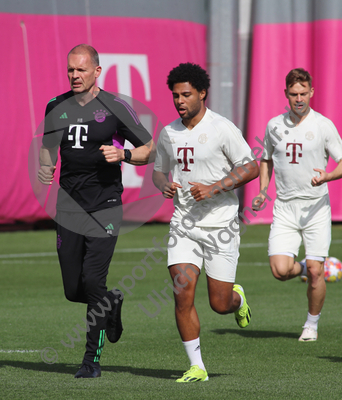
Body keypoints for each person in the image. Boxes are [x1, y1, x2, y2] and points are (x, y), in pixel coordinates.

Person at [38, 44, 155, 378]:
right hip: (68, 207)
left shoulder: (116, 106)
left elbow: (149, 148)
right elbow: (47, 148)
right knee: (74, 290)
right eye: (71, 70)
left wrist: (125, 156)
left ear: (97, 71)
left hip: (105, 206)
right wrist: (45, 168)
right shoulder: (55, 106)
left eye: (81, 70)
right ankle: (111, 302)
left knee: (92, 280)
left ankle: (91, 360)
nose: (75, 75)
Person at [152, 63, 259, 382]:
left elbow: (250, 167)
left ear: (202, 93)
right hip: (183, 225)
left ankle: (236, 299)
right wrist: (163, 185)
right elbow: (159, 170)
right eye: (175, 95)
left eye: (186, 94)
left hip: (220, 226)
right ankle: (196, 366)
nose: (179, 101)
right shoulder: (168, 133)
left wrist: (214, 187)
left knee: (219, 304)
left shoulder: (222, 128)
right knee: (181, 294)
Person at [253, 68, 342, 341]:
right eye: (294, 94)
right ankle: (303, 266)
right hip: (285, 208)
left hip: (316, 207)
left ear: (312, 92)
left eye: (304, 93)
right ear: (286, 95)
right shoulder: (274, 126)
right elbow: (265, 158)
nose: (299, 99)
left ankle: (311, 325)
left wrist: (327, 176)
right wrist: (263, 190)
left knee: (318, 273)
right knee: (280, 271)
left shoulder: (323, 125)